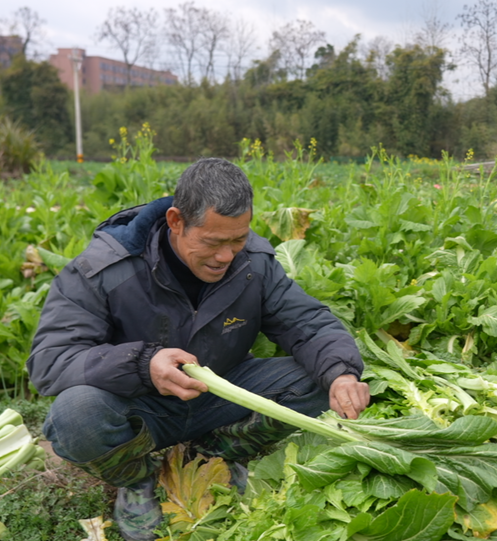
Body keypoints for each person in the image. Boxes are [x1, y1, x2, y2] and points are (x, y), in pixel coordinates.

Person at [27, 158, 369, 541]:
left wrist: (342, 372)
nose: (226, 256)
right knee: (76, 415)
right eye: (212, 242)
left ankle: (215, 454)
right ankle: (136, 480)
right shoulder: (103, 268)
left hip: (221, 393)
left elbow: (308, 324)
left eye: (237, 239)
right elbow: (50, 361)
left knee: (325, 378)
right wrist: (143, 364)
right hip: (140, 405)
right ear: (176, 221)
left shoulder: (254, 263)